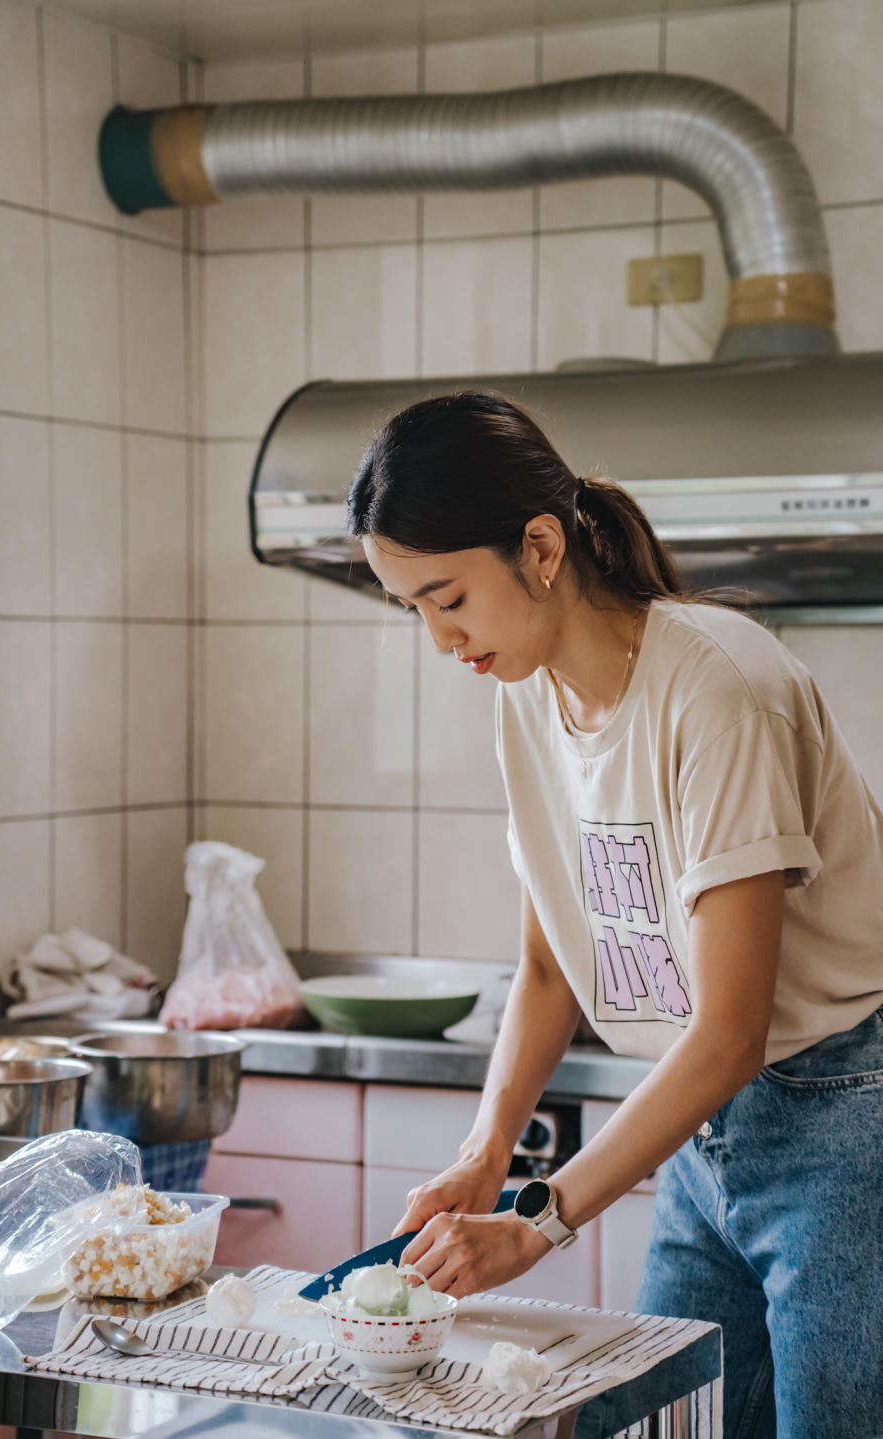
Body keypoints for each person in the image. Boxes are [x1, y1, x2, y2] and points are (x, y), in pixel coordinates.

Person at [346, 390, 883, 1439]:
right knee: (664, 1416)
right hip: (697, 1133)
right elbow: (549, 962)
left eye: (447, 596)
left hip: (842, 1115)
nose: (439, 636)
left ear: (540, 547)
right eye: (413, 607)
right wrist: (486, 1146)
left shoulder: (716, 687)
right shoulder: (527, 691)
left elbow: (730, 1031)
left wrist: (536, 1223)